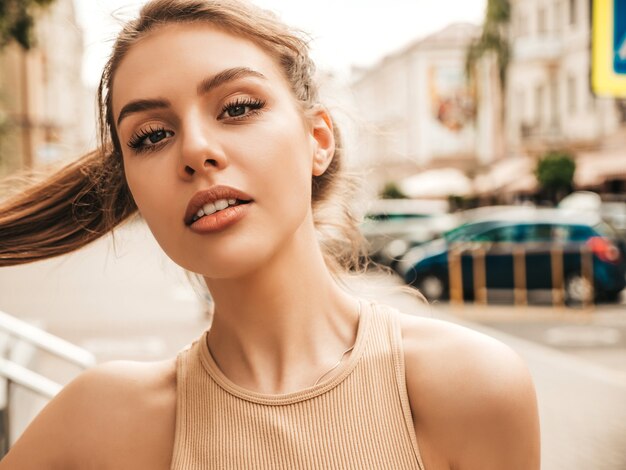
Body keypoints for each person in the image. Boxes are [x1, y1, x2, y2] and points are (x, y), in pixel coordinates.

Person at [0, 0, 540, 468]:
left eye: (238, 107)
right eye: (151, 136)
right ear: (132, 187)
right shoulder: (99, 421)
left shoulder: (470, 387)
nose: (194, 150)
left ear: (318, 139)